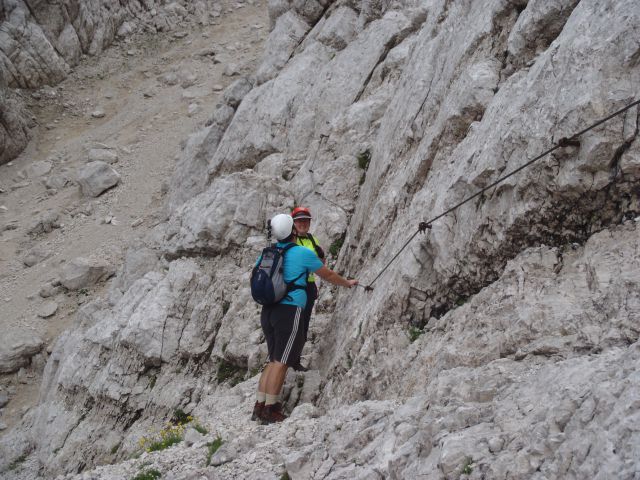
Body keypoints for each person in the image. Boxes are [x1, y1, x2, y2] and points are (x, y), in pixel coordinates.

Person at [253, 213, 358, 424]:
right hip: (289, 310)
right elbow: (327, 274)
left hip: (268, 310)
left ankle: (259, 405)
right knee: (283, 361)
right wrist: (347, 283)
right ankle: (271, 409)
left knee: (273, 358)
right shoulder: (301, 252)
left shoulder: (267, 253)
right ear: (292, 230)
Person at [291, 206, 325, 371]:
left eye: (305, 220)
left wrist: (319, 257)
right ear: (293, 223)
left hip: (309, 285)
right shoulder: (290, 239)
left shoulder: (313, 240)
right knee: (293, 323)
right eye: (299, 221)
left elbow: (320, 263)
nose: (303, 223)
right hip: (294, 286)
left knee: (303, 324)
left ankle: (295, 360)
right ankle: (286, 359)